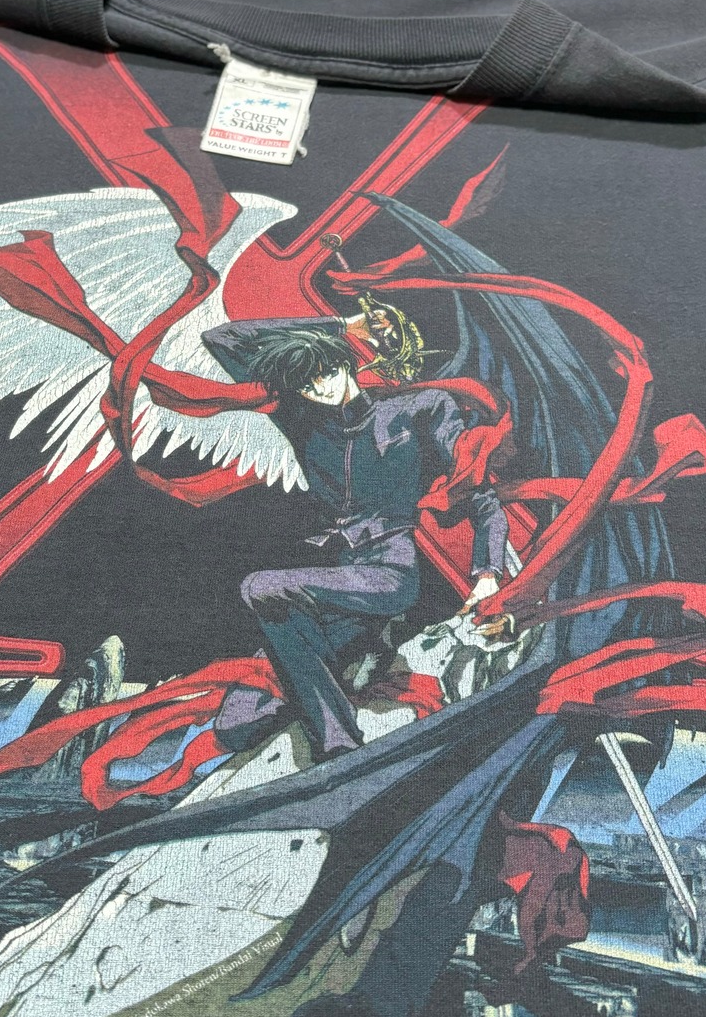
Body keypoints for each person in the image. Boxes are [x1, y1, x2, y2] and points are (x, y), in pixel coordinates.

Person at [201, 311, 509, 761]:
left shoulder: (420, 409)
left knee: (260, 587)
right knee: (237, 724)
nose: (319, 388)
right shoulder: (303, 422)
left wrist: (488, 572)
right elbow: (221, 338)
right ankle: (358, 659)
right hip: (333, 585)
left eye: (325, 372)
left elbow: (478, 493)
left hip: (389, 573)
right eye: (306, 384)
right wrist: (343, 323)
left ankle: (338, 745)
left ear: (346, 363)